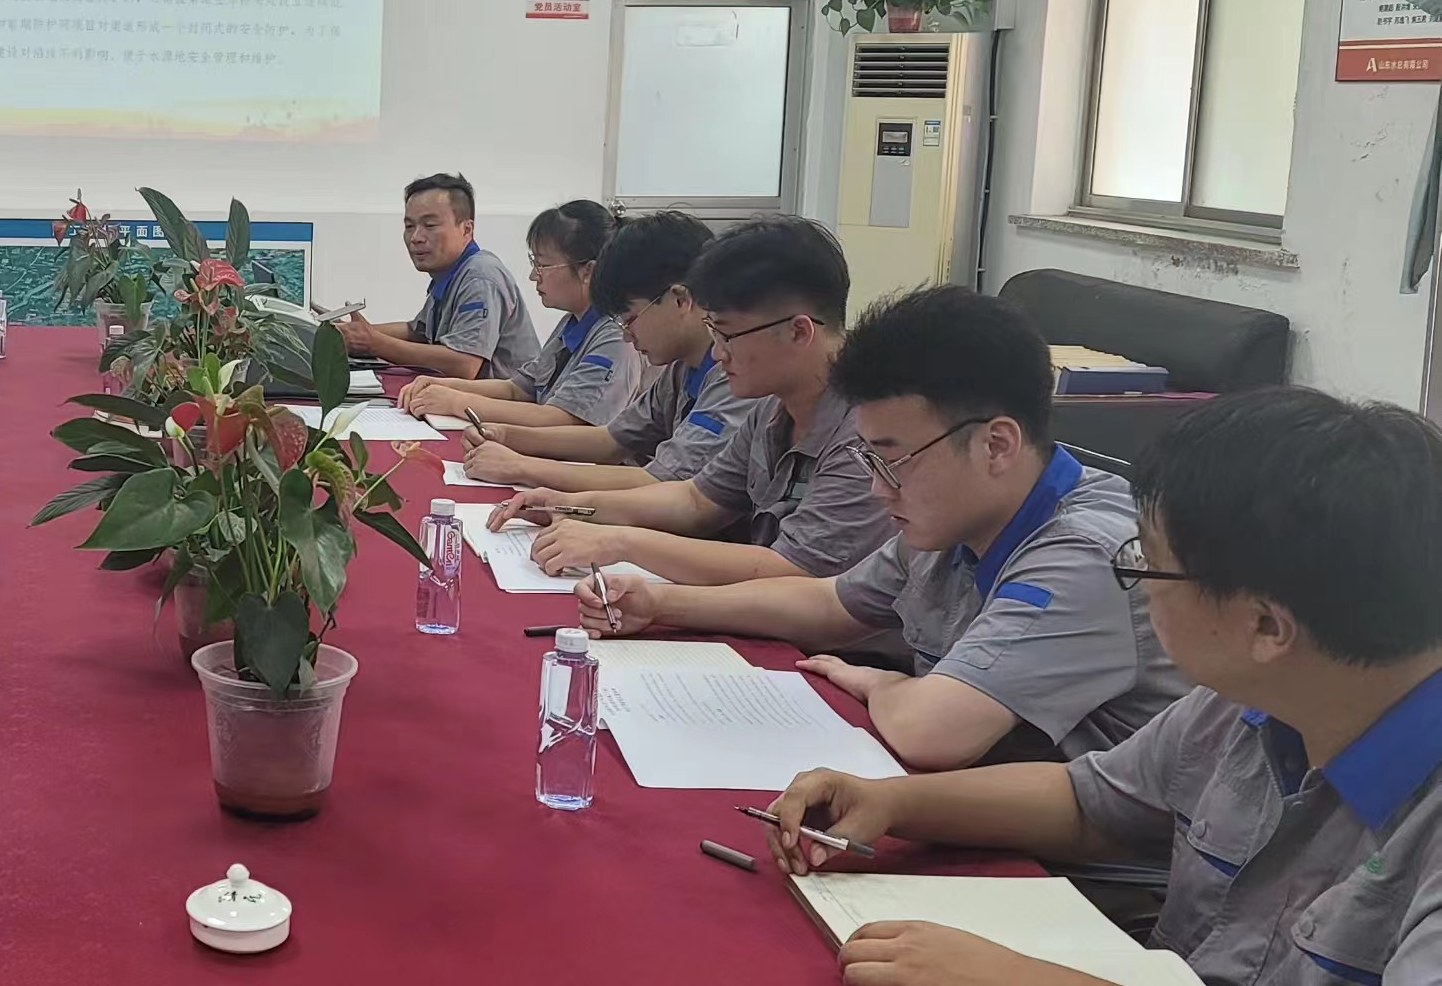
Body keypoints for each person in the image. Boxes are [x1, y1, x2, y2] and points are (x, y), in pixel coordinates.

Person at [765, 387, 1442, 986]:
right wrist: (892, 803)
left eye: (1149, 564)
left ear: (1266, 625)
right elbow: (1092, 805)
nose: (1134, 581)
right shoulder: (1246, 704)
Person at [575, 285, 1186, 775]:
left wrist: (883, 683)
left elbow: (930, 731)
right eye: (870, 459)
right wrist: (662, 603)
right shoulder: (959, 517)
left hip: (1076, 873)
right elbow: (831, 603)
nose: (877, 488)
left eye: (892, 460)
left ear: (997, 444)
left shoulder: (1086, 553)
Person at [486, 215, 893, 584]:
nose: (718, 352)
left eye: (728, 335)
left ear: (798, 332)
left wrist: (623, 543)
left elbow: (793, 572)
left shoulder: (867, 431)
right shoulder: (772, 408)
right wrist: (570, 506)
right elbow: (696, 499)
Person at [450, 210, 757, 492]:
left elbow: (662, 480)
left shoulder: (733, 379)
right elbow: (612, 438)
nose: (626, 334)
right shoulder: (681, 369)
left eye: (631, 319)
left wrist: (523, 467)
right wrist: (507, 436)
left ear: (680, 300)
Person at [398, 200, 646, 433]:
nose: (533, 276)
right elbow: (517, 389)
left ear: (588, 271)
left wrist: (457, 402)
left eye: (542, 265)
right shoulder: (574, 322)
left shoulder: (615, 338)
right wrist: (443, 386)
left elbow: (562, 419)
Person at [336, 172, 537, 380]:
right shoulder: (448, 274)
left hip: (495, 400)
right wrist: (350, 332)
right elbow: (416, 333)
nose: (416, 238)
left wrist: (373, 342)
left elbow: (463, 365)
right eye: (409, 226)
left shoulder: (480, 277)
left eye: (430, 225)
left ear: (466, 229)